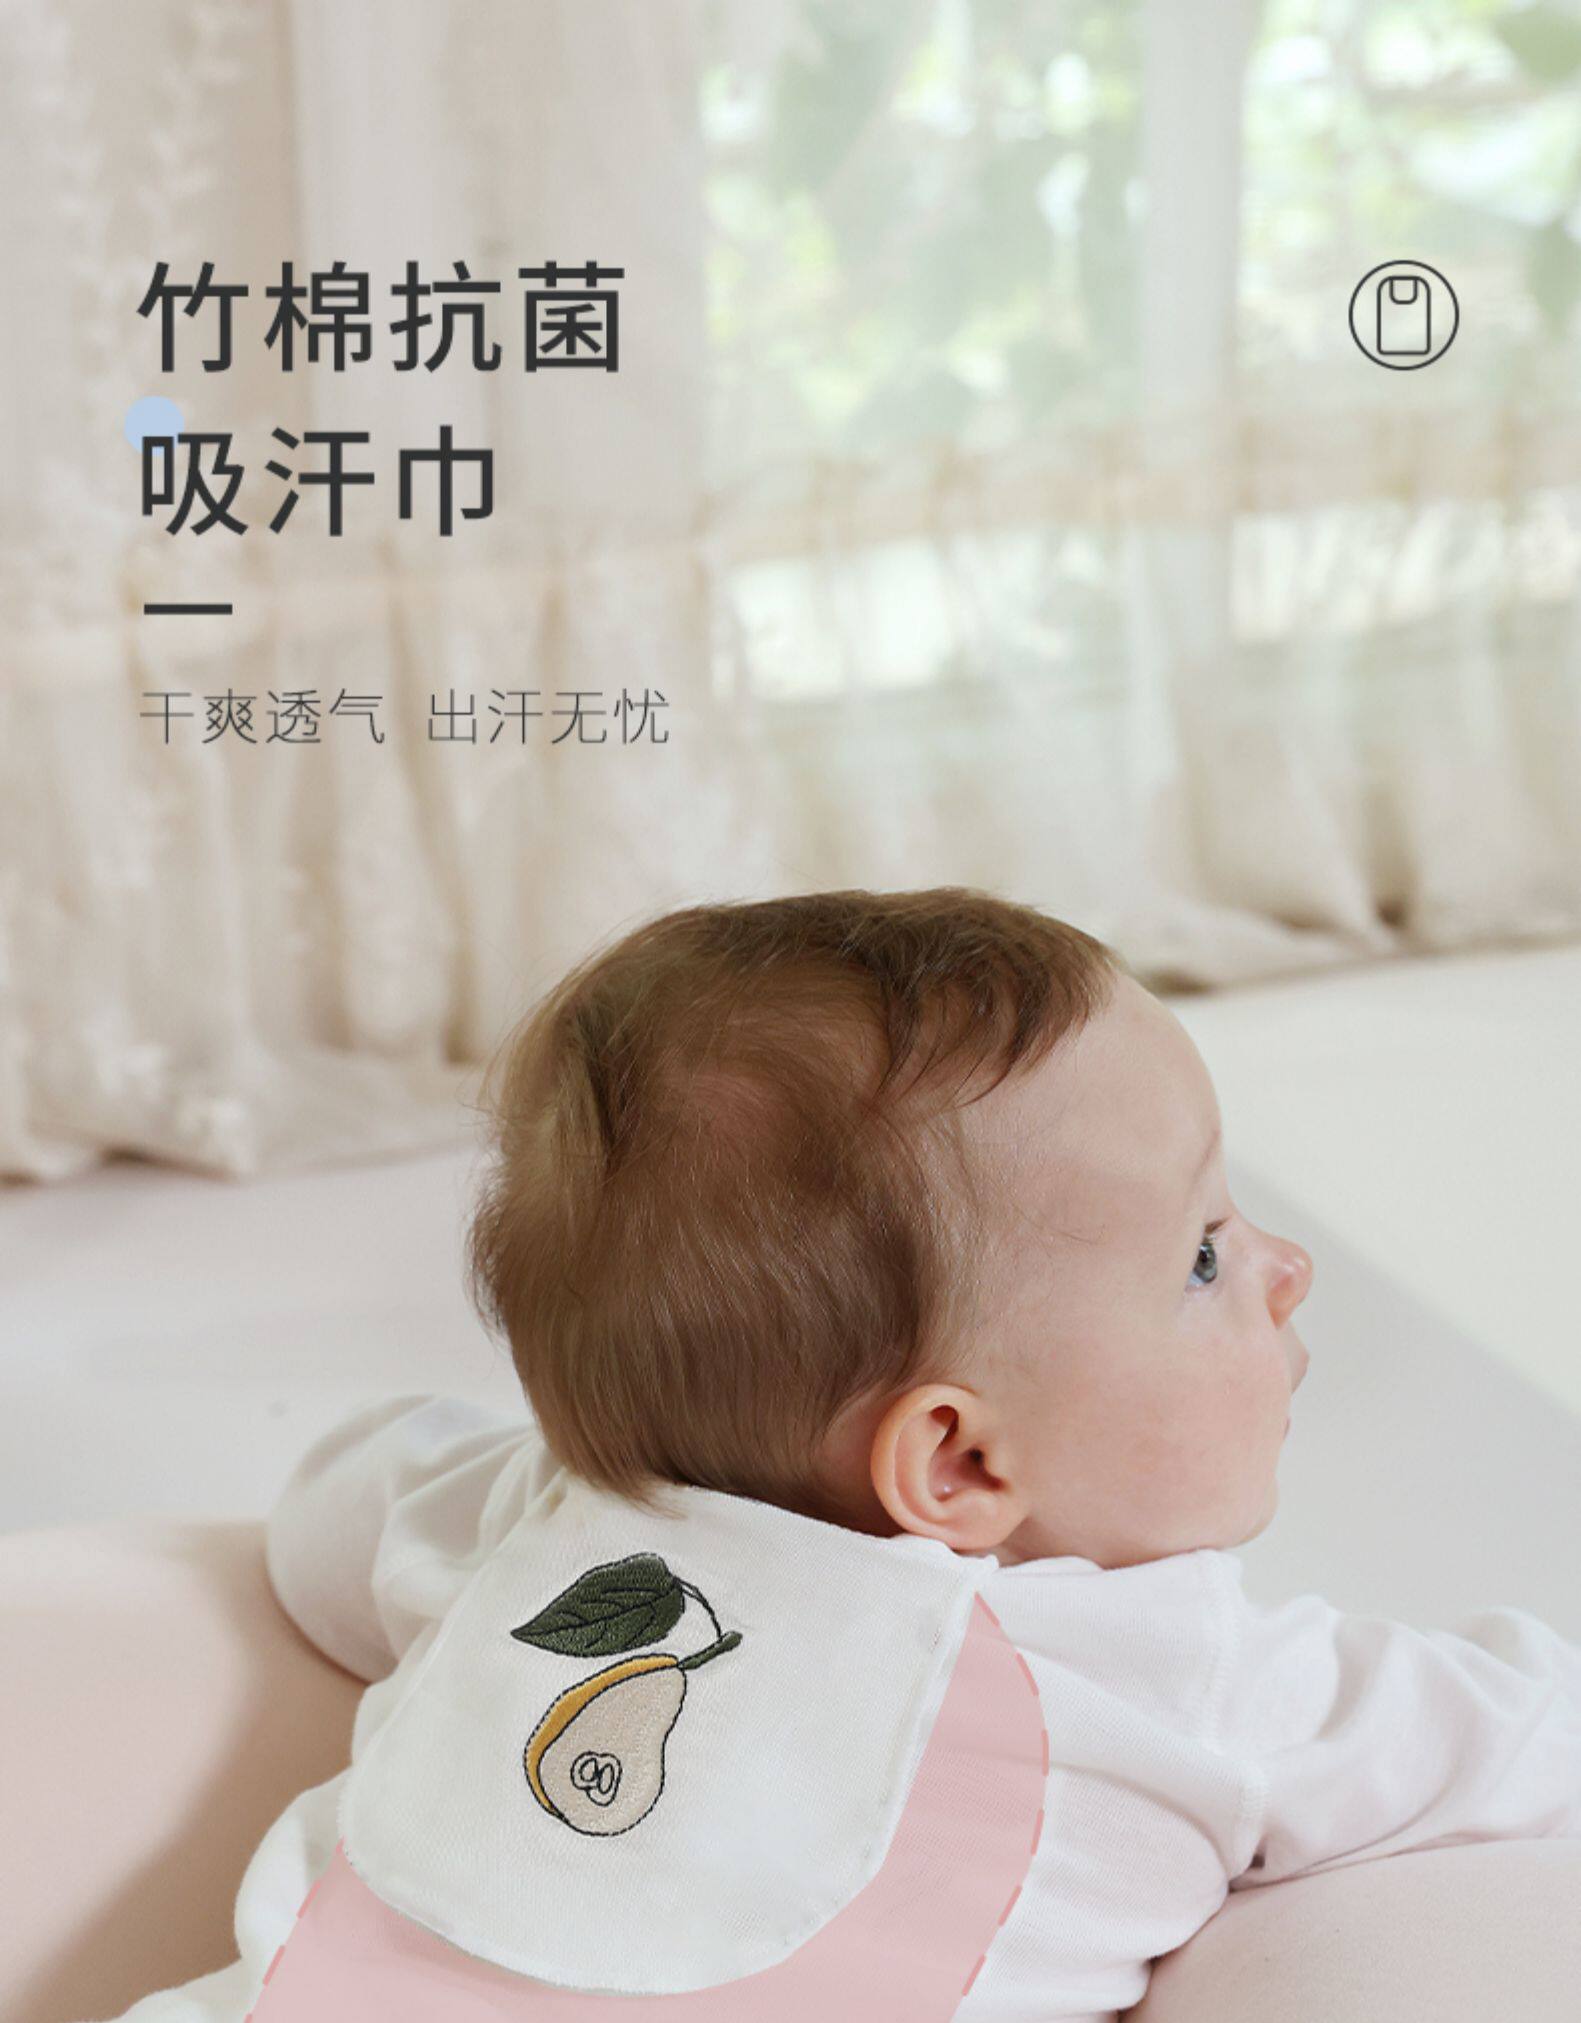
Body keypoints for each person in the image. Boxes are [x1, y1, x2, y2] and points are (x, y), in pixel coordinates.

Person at [97, 888, 1581, 2022]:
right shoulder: (1177, 1673)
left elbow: (325, 1522)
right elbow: (1525, 1733)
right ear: (957, 1466)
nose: (1286, 1267)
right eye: (1200, 1252)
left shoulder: (539, 1525)